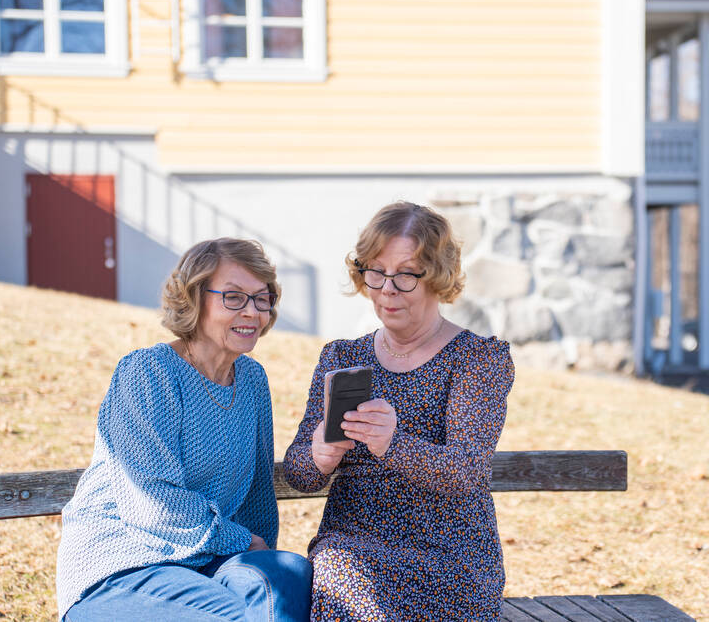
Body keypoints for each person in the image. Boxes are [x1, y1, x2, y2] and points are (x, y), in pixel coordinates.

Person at [56, 238, 313, 621]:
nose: (253, 312)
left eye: (263, 298)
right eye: (234, 297)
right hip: (124, 566)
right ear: (195, 298)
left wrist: (260, 560)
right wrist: (243, 541)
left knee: (291, 581)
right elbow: (153, 504)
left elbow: (256, 496)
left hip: (208, 566)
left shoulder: (252, 380)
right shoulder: (149, 373)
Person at [283, 201, 515, 621]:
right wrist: (319, 455)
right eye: (376, 272)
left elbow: (467, 472)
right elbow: (299, 474)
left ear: (438, 277)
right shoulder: (342, 358)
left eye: (406, 274)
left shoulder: (476, 359)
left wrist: (392, 443)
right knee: (338, 578)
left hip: (452, 559)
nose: (387, 288)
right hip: (353, 546)